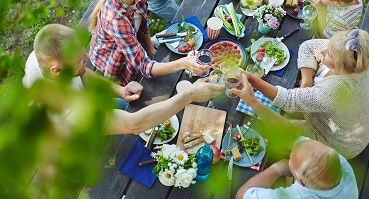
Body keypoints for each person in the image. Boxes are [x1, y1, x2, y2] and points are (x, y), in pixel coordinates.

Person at [23, 24, 224, 135]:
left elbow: (82, 74)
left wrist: (119, 90)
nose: (88, 59)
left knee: (135, 103)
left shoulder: (40, 57)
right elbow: (134, 125)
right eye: (79, 59)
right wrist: (189, 95)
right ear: (56, 71)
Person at [236, 29, 369, 159]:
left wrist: (252, 84)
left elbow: (288, 100)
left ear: (340, 65)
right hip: (357, 117)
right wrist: (306, 84)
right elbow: (308, 46)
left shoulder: (335, 91)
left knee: (270, 131)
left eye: (328, 54)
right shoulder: (357, 56)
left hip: (339, 141)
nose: (322, 50)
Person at [233, 77, 359, 199]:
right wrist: (253, 102)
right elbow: (291, 134)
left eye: (291, 161)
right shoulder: (340, 163)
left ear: (300, 181)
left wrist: (279, 167)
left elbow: (241, 197)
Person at [88, 0, 207, 86]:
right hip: (114, 58)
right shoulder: (115, 20)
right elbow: (143, 66)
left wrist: (149, 47)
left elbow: (144, 21)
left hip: (132, 40)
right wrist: (183, 63)